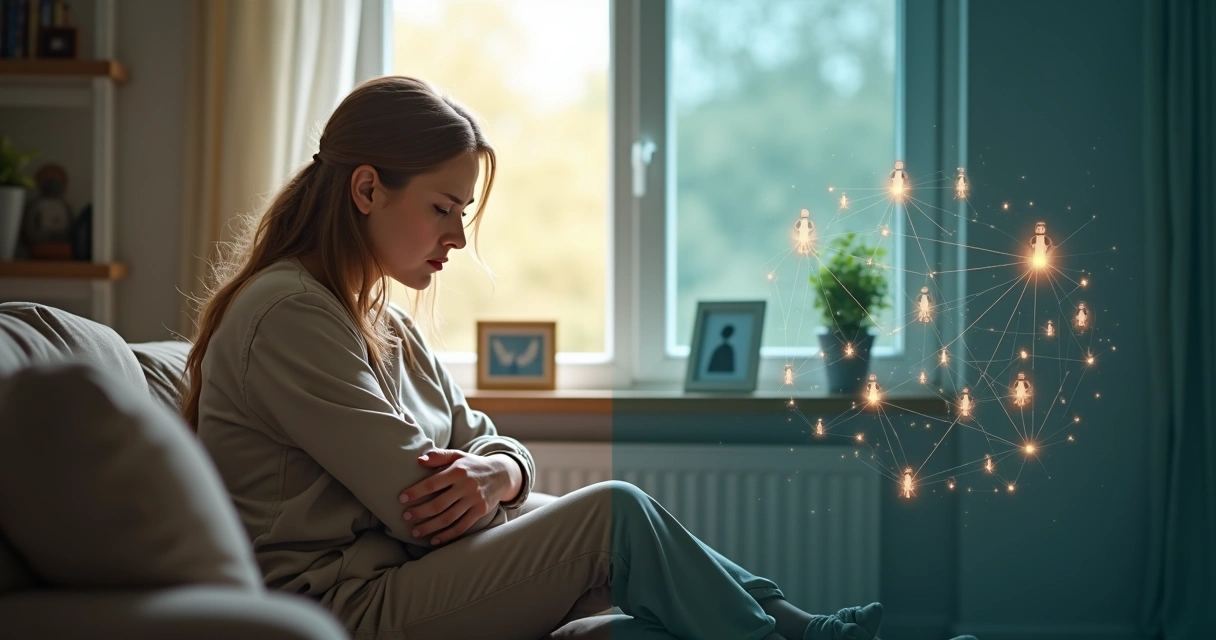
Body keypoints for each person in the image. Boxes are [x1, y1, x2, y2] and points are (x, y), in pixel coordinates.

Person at [180, 76, 969, 640]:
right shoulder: (288, 315)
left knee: (640, 615)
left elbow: (485, 440)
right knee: (612, 515)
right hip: (343, 606)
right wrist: (492, 486)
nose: (457, 237)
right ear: (365, 190)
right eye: (443, 208)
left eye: (463, 214)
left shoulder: (384, 321)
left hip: (401, 579)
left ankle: (800, 627)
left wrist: (502, 474)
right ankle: (800, 635)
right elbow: (420, 508)